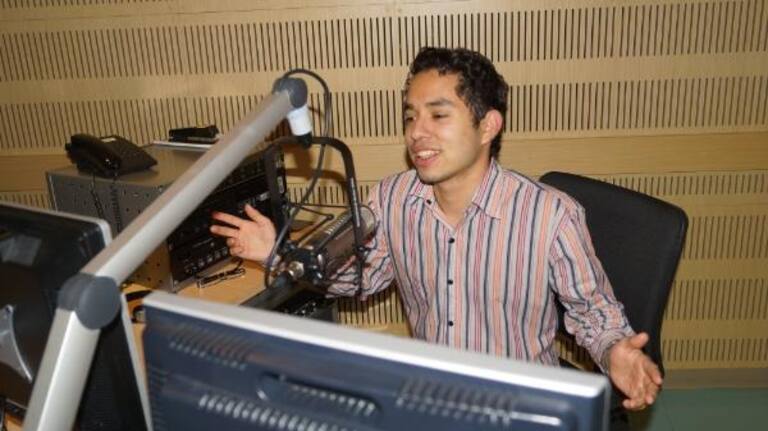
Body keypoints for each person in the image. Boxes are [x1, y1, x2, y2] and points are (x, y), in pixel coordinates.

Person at [210, 47, 662, 413]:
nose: (417, 133)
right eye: (411, 116)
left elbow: (592, 311)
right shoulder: (390, 200)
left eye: (438, 116)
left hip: (519, 404)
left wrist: (615, 352)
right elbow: (363, 278)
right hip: (432, 397)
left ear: (488, 126)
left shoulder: (551, 215)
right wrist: (280, 252)